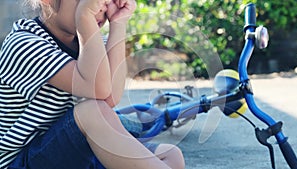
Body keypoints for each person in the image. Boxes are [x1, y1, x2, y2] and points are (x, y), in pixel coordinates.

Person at [0, 0, 185, 169]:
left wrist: (119, 23)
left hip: (72, 152)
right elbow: (100, 91)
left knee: (170, 155)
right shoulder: (24, 44)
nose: (101, 7)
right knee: (92, 111)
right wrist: (85, 17)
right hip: (22, 161)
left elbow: (111, 97)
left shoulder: (92, 44)